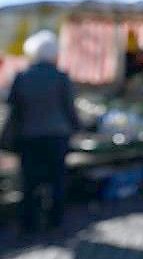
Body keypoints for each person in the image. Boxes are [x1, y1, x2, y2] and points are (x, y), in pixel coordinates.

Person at [5, 30, 80, 232]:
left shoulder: (21, 77)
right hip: (57, 136)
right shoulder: (61, 77)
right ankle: (55, 221)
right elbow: (69, 109)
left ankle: (29, 223)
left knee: (29, 182)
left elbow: (14, 108)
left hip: (29, 136)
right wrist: (77, 128)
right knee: (57, 180)